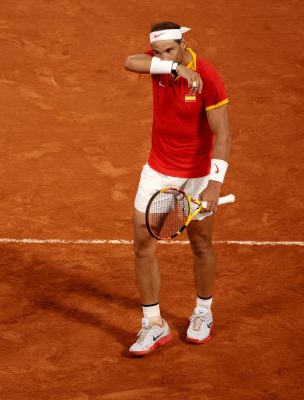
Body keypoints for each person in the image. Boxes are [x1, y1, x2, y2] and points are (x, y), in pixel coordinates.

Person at [123, 21, 231, 356]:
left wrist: (214, 184)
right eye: (158, 52)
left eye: (171, 49)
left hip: (198, 173)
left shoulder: (208, 76)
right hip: (158, 169)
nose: (163, 55)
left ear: (184, 44)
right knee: (143, 243)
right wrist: (174, 68)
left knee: (200, 244)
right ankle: (153, 323)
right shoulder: (161, 65)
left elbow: (223, 135)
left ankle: (203, 311)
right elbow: (130, 62)